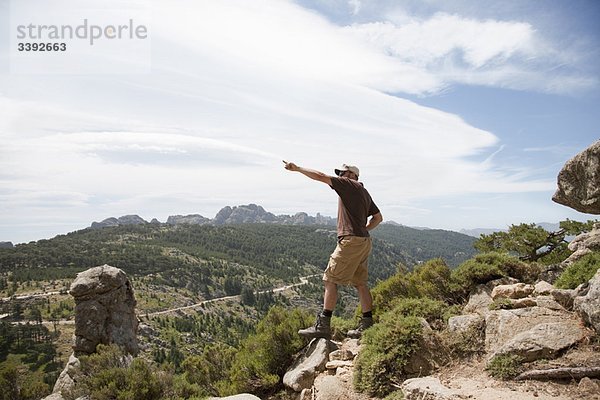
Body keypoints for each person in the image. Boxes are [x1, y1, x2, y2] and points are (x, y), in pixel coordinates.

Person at [283, 161, 383, 339]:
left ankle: (323, 325)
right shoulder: (364, 192)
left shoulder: (348, 185)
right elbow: (378, 217)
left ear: (351, 175)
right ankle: (367, 324)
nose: (339, 177)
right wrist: (364, 229)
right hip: (363, 241)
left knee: (330, 280)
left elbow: (321, 176)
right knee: (360, 283)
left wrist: (298, 169)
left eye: (342, 173)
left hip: (350, 241)